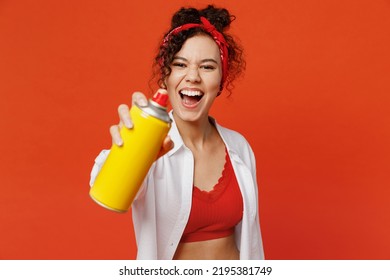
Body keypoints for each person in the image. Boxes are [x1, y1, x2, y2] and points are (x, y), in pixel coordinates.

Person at [90, 5, 264, 260]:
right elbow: (102, 185)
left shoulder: (239, 147)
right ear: (167, 76)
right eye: (180, 64)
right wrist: (128, 148)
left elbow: (252, 241)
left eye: (207, 67)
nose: (192, 76)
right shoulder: (149, 146)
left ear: (220, 82)